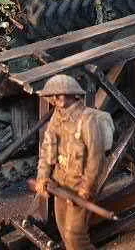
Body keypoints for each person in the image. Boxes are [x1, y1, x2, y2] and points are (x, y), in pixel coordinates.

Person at [34, 74, 113, 250]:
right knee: (63, 228)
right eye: (54, 95)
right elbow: (47, 149)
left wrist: (87, 188)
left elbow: (96, 157)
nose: (56, 99)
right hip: (60, 183)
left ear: (73, 95)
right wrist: (42, 176)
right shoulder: (57, 117)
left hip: (79, 187)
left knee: (74, 235)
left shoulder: (86, 119)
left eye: (61, 94)